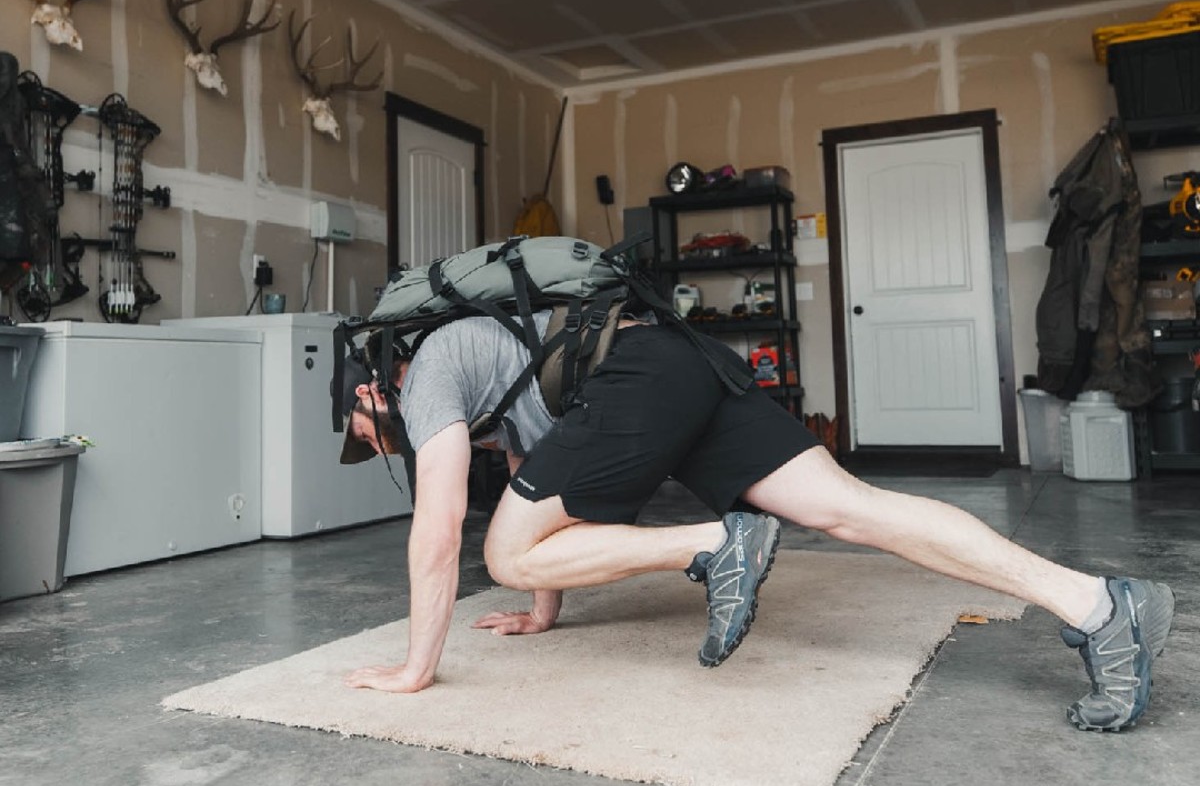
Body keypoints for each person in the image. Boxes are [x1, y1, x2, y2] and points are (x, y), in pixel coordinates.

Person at [339, 312, 1175, 733]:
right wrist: (540, 608)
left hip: (639, 379)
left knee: (500, 550)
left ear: (371, 393)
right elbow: (548, 494)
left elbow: (441, 528)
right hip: (681, 363)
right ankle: (1102, 606)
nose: (385, 445)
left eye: (367, 436)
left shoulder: (430, 376)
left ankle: (719, 544)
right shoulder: (502, 369)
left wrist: (417, 668)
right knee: (853, 510)